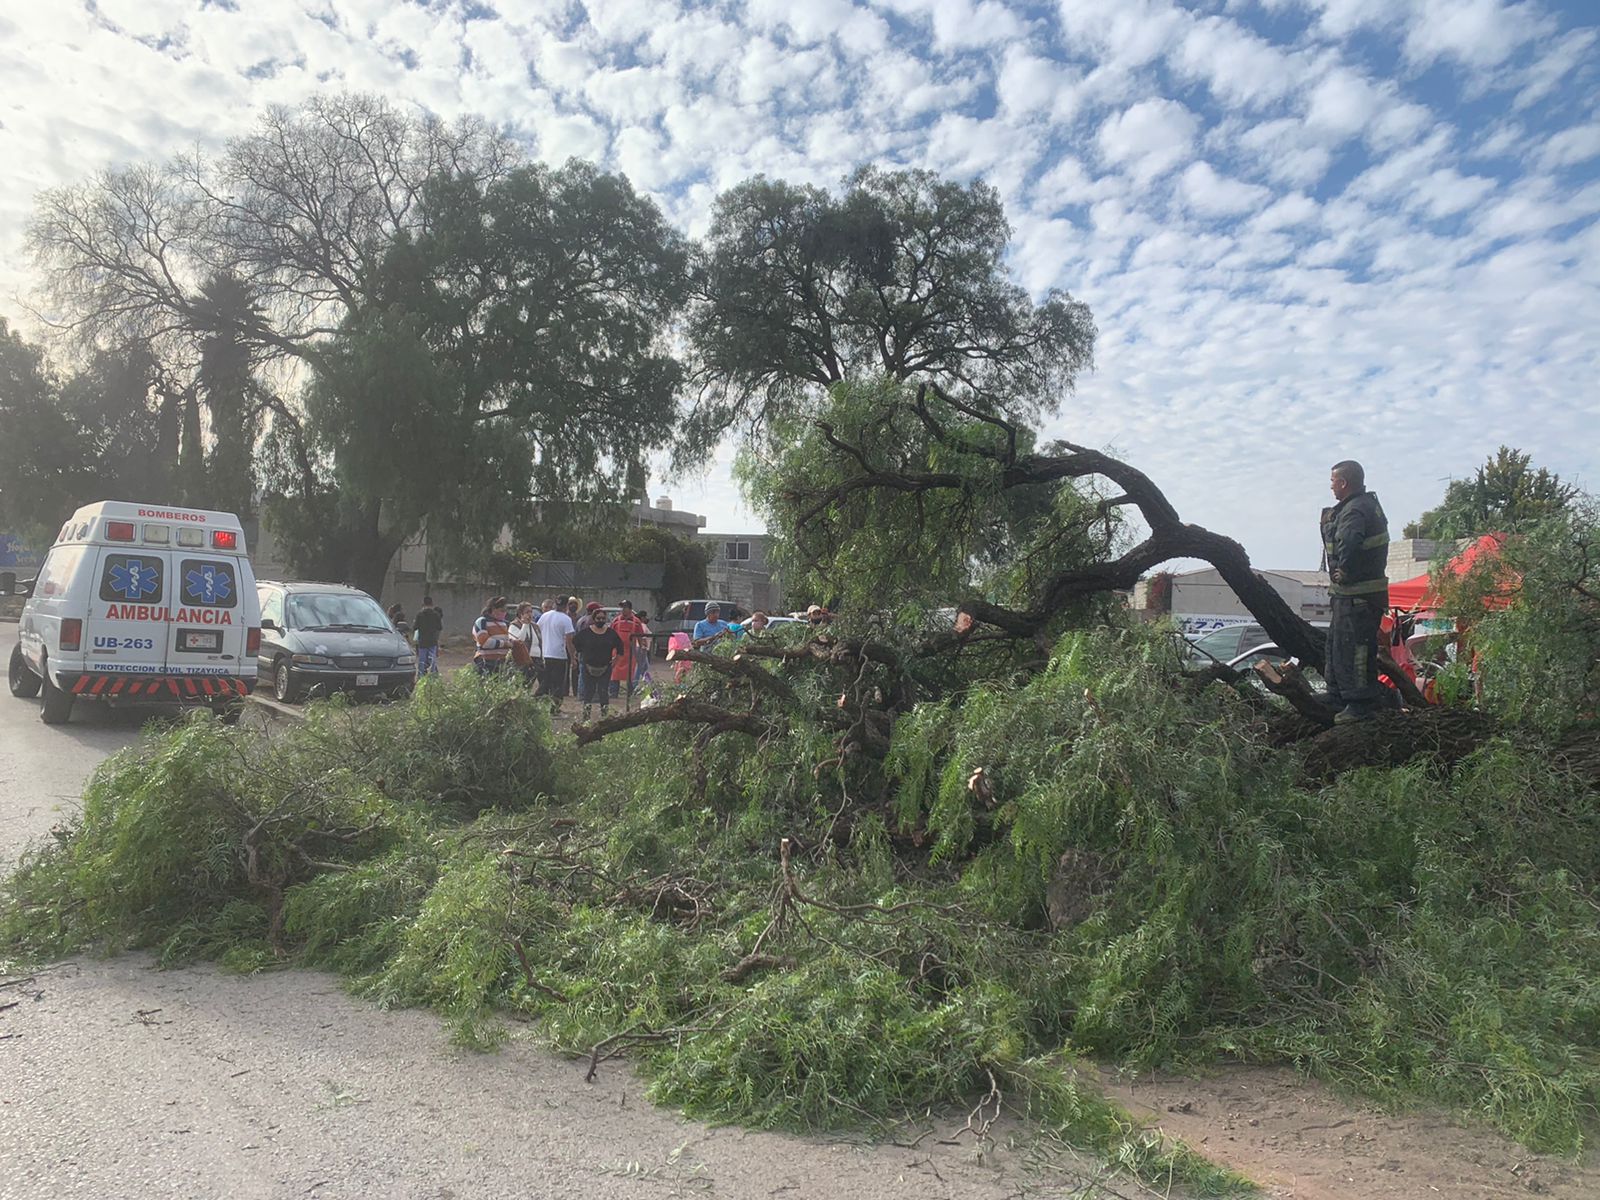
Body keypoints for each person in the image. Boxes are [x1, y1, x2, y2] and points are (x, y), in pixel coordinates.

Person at [1320, 459, 1391, 723]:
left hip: (1358, 596)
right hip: (1349, 597)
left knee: (1356, 649)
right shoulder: (1363, 506)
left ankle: (1361, 704)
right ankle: (1337, 694)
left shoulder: (1354, 510)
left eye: (1333, 482)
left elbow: (1349, 541)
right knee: (1337, 646)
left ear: (1343, 482)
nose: (1331, 487)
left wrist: (1345, 572)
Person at [572, 607, 623, 721]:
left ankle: (605, 717)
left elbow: (620, 648)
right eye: (598, 618)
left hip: (605, 667)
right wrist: (577, 655)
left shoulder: (611, 633)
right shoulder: (585, 633)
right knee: (588, 693)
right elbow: (575, 643)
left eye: (603, 618)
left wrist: (615, 661)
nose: (600, 620)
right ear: (593, 618)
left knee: (603, 692)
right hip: (588, 667)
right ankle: (586, 718)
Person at [536, 595, 577, 708]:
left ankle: (537, 702)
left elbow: (537, 630)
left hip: (545, 653)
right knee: (558, 684)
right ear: (566, 605)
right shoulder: (566, 619)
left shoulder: (545, 616)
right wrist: (573, 658)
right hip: (559, 655)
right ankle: (555, 708)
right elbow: (569, 640)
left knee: (546, 681)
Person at [609, 600, 647, 701]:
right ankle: (613, 692)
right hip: (616, 652)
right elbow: (610, 635)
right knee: (614, 672)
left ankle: (630, 693)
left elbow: (640, 636)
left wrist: (643, 647)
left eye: (625, 607)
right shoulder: (616, 621)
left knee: (630, 673)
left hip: (630, 652)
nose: (623, 609)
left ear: (630, 609)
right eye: (621, 607)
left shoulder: (636, 622)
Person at [472, 597, 515, 676]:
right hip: (486, 663)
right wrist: (505, 644)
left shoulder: (504, 624)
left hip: (503, 663)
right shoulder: (482, 622)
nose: (504, 613)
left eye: (505, 610)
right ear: (493, 609)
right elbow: (484, 642)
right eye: (502, 610)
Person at [507, 601, 540, 686]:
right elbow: (519, 641)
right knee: (521, 684)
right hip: (523, 660)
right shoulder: (514, 625)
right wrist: (524, 625)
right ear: (520, 614)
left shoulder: (535, 626)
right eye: (527, 612)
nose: (530, 614)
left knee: (530, 684)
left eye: (531, 611)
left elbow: (539, 642)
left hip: (536, 660)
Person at [412, 596, 444, 677]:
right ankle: (433, 676)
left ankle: (421, 677)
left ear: (423, 604)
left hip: (422, 641)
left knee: (422, 660)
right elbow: (439, 627)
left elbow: (415, 627)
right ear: (432, 604)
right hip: (432, 641)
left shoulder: (419, 614)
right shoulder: (436, 615)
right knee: (432, 660)